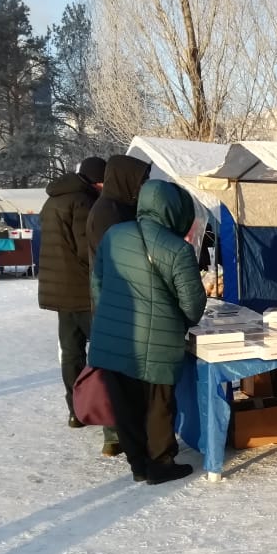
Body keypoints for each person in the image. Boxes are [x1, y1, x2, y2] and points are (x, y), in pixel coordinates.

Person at [88, 179, 206, 485]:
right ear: (176, 210)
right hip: (158, 342)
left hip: (112, 338)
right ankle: (161, 464)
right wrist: (179, 323)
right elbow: (193, 303)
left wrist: (111, 319)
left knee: (125, 405)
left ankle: (138, 464)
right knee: (158, 405)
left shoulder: (114, 235)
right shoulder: (177, 248)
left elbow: (97, 283)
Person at [84, 154, 152, 457]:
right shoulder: (109, 211)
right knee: (118, 376)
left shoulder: (116, 207)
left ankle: (121, 434)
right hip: (117, 302)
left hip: (116, 301)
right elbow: (121, 260)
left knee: (122, 376)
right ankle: (117, 436)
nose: (142, 188)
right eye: (139, 181)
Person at [37, 156, 107, 435]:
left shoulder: (53, 198)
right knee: (101, 350)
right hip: (82, 290)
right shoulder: (82, 201)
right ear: (95, 181)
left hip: (58, 289)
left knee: (70, 352)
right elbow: (86, 250)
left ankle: (75, 411)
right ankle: (102, 413)